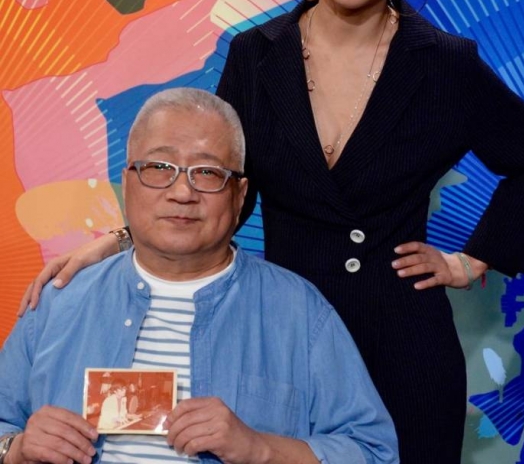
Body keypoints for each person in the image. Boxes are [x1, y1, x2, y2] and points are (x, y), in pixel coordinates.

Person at [18, 0, 524, 464]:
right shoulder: (257, 56)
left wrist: (471, 260)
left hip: (401, 346)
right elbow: (220, 181)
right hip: (275, 342)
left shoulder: (445, 64)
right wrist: (121, 241)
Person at [0, 88, 398, 464]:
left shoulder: (299, 311)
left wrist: (259, 448)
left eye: (207, 172)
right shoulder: (60, 300)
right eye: (160, 168)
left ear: (240, 195)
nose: (182, 193)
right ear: (128, 181)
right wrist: (15, 449)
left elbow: (375, 452)